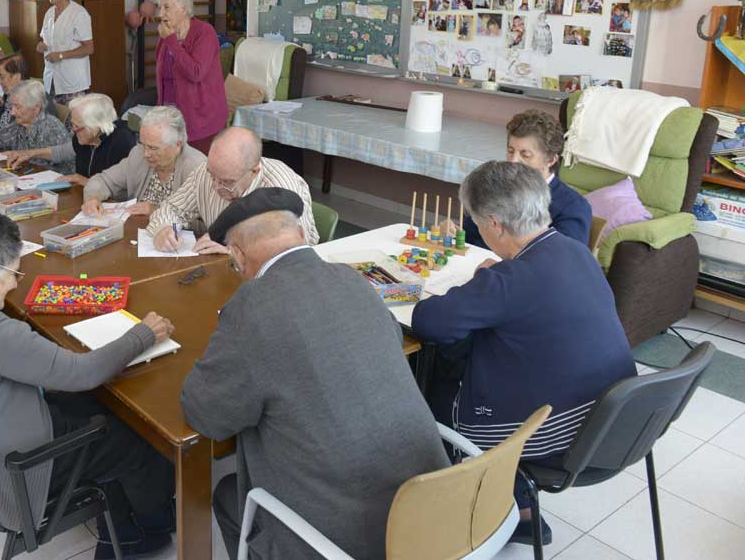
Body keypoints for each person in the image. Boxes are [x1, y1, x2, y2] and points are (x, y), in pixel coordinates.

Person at [181, 188, 449, 559]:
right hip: (434, 510)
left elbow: (207, 415)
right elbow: (385, 338)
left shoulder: (252, 306)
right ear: (303, 235)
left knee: (229, 496)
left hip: (353, 538)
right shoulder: (353, 279)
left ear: (238, 256)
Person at [0, 210, 177, 557]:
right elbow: (82, 374)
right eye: (13, 272)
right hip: (17, 469)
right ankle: (150, 528)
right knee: (137, 440)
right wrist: (143, 334)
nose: (16, 283)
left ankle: (126, 524)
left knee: (98, 407)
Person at [413, 161, 635, 547]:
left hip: (557, 434)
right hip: (614, 421)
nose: (478, 230)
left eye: (477, 223)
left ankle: (456, 511)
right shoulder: (575, 251)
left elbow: (430, 321)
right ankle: (522, 509)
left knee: (425, 383)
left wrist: (487, 279)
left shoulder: (509, 280)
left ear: (495, 224)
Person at [146, 127, 318, 253]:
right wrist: (163, 229)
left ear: (254, 171)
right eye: (212, 175)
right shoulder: (207, 172)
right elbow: (172, 209)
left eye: (227, 181)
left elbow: (291, 254)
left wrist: (233, 252)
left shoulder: (281, 189)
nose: (215, 186)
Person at [441, 109, 591, 248]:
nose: (513, 161)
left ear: (551, 160)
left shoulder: (573, 207)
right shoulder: (493, 187)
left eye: (525, 155)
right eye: (510, 151)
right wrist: (454, 232)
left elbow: (561, 263)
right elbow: (468, 236)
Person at [83, 106, 207, 218]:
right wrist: (92, 198)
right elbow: (102, 180)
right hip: (135, 234)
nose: (145, 154)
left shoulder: (197, 169)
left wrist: (156, 211)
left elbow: (207, 226)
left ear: (178, 145)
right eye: (143, 145)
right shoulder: (138, 155)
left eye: (153, 148)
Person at [155, 0, 230, 154]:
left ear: (183, 8)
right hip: (171, 119)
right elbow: (163, 80)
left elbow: (196, 73)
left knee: (201, 174)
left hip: (202, 119)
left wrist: (172, 42)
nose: (161, 14)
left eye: (166, 7)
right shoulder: (166, 36)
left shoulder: (204, 32)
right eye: (161, 8)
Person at [4, 93, 135, 185]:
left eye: (77, 127)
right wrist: (29, 153)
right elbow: (62, 152)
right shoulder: (86, 138)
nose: (73, 131)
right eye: (72, 125)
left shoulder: (122, 142)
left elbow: (123, 190)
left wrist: (82, 180)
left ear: (95, 127)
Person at [0, 80, 72, 173]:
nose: (12, 112)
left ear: (36, 108)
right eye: (12, 106)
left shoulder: (52, 129)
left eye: (17, 107)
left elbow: (64, 167)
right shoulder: (20, 124)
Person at [37, 0, 94, 106]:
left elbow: (89, 48)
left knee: (72, 123)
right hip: (51, 79)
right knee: (53, 121)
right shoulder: (49, 13)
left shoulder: (79, 13)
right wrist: (41, 45)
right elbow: (47, 40)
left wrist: (61, 55)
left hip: (73, 82)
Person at [0, 53, 58, 128]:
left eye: (2, 77)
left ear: (17, 77)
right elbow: (3, 125)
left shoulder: (35, 99)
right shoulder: (10, 95)